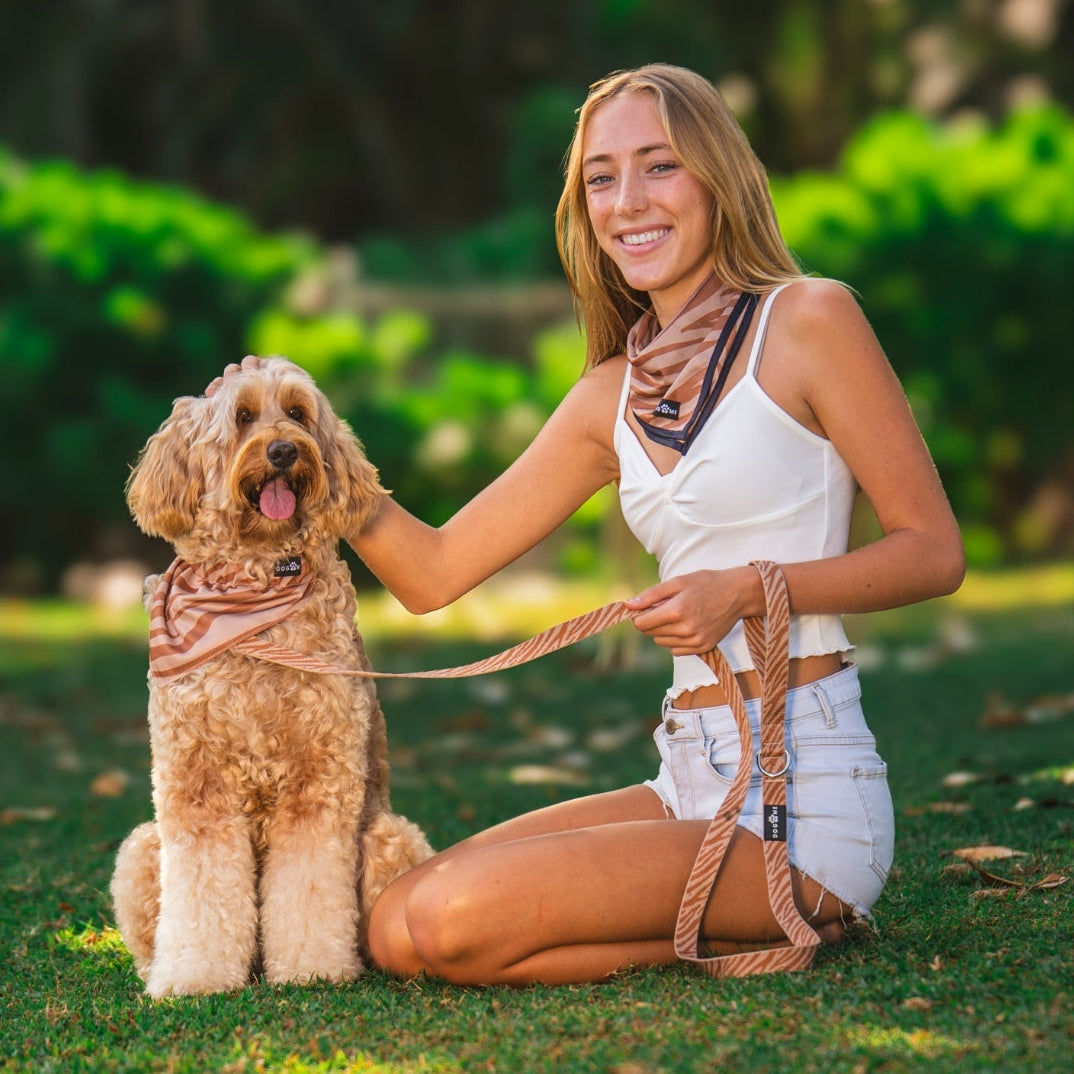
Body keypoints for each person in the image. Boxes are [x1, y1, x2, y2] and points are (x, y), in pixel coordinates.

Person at [240, 64, 965, 986]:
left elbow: (932, 552)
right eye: (601, 178)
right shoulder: (608, 396)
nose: (628, 202)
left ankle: (798, 907)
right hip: (687, 774)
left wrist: (746, 590)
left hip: (802, 796)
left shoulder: (809, 320)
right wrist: (306, 445)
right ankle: (752, 930)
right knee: (396, 923)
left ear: (717, 178)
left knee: (453, 924)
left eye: (660, 166)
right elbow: (433, 572)